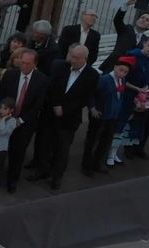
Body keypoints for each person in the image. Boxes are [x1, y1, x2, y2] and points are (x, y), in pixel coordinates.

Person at [29, 45, 99, 190]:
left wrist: (64, 109)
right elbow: (51, 87)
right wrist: (56, 105)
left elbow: (85, 97)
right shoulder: (60, 67)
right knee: (44, 144)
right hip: (50, 115)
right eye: (71, 56)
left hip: (69, 120)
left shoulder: (92, 75)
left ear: (84, 59)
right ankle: (42, 170)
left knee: (62, 150)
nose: (72, 60)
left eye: (76, 58)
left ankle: (57, 177)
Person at [0, 49, 49, 193]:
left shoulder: (42, 80)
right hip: (6, 119)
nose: (24, 66)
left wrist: (20, 120)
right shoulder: (10, 75)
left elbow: (38, 105)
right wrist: (5, 116)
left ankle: (12, 180)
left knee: (18, 153)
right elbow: (3, 95)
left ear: (35, 64)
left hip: (25, 123)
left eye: (27, 64)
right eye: (22, 63)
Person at [83, 57, 131, 175]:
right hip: (100, 115)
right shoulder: (104, 80)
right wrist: (92, 108)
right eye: (121, 70)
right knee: (92, 141)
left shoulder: (122, 81)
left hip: (112, 116)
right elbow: (91, 94)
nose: (122, 73)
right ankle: (86, 166)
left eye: (125, 72)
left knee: (105, 141)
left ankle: (96, 164)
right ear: (115, 67)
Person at [99, 0, 149, 73]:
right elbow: (117, 20)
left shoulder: (146, 40)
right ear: (137, 20)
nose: (143, 20)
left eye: (147, 20)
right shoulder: (127, 29)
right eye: (142, 18)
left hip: (129, 71)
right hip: (113, 66)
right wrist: (126, 5)